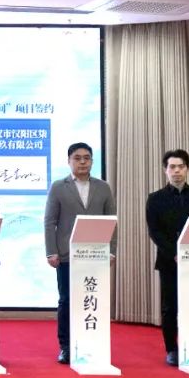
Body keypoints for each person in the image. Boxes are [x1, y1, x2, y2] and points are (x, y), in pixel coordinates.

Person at [44, 142, 115, 364]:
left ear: (92, 161)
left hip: (96, 255)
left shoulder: (103, 187)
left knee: (93, 298)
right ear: (69, 161)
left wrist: (111, 251)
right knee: (66, 300)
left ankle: (92, 343)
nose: (82, 162)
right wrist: (51, 252)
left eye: (87, 158)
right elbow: (50, 221)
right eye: (77, 158)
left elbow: (112, 221)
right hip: (67, 255)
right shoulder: (59, 186)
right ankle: (65, 346)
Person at [146, 149, 189, 366]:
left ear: (187, 169)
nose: (177, 171)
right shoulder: (155, 199)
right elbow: (155, 232)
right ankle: (172, 349)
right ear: (165, 170)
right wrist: (175, 253)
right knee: (170, 308)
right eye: (172, 167)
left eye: (181, 167)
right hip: (169, 261)